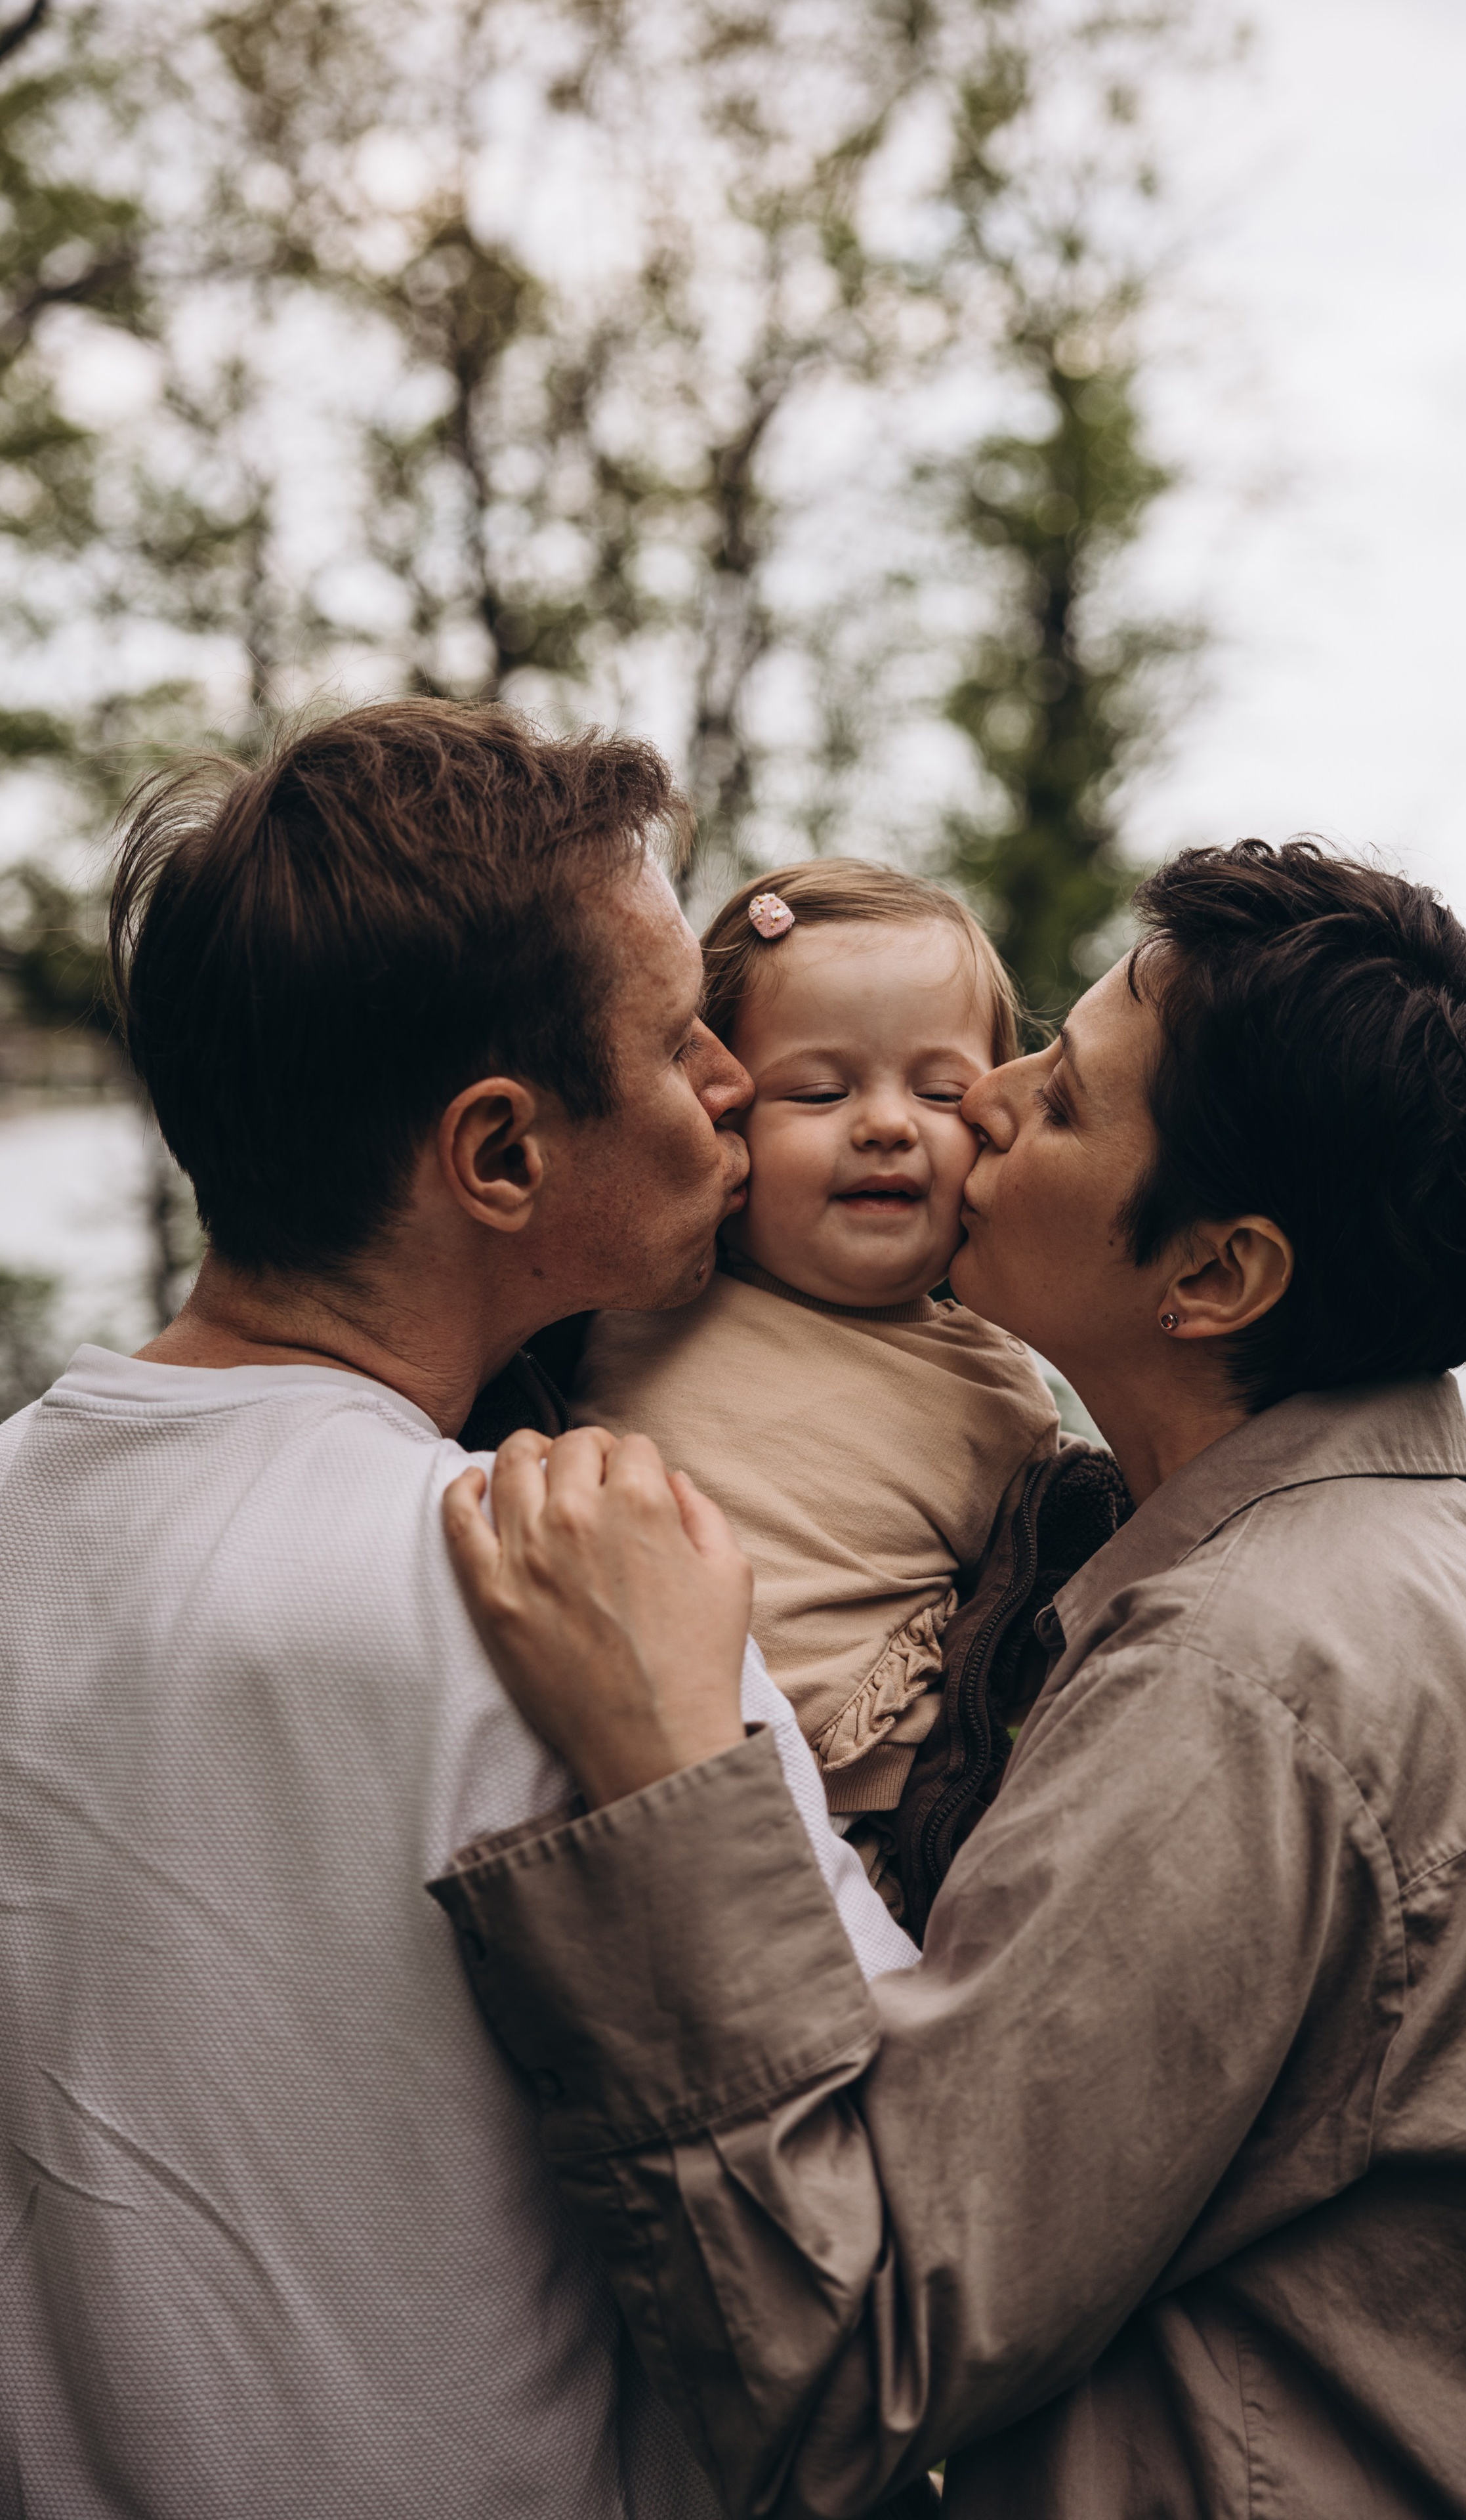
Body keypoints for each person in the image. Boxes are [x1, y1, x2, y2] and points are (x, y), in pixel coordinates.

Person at [431, 840, 1466, 2519]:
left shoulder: (1248, 1683)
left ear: (1214, 1277)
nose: (981, 1103)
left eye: (1063, 1097)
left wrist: (672, 1776)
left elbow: (850, 2361)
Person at [0, 700, 915, 2519]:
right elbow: (883, 2234)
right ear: (500, 1158)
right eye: (676, 1044)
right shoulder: (568, 1581)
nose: (733, 1082)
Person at [572, 859, 1064, 1906]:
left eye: (941, 1093)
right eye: (821, 1091)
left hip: (855, 1833)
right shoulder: (638, 1304)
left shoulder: (1000, 1392)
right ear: (721, 1120)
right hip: (583, 1773)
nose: (887, 1123)